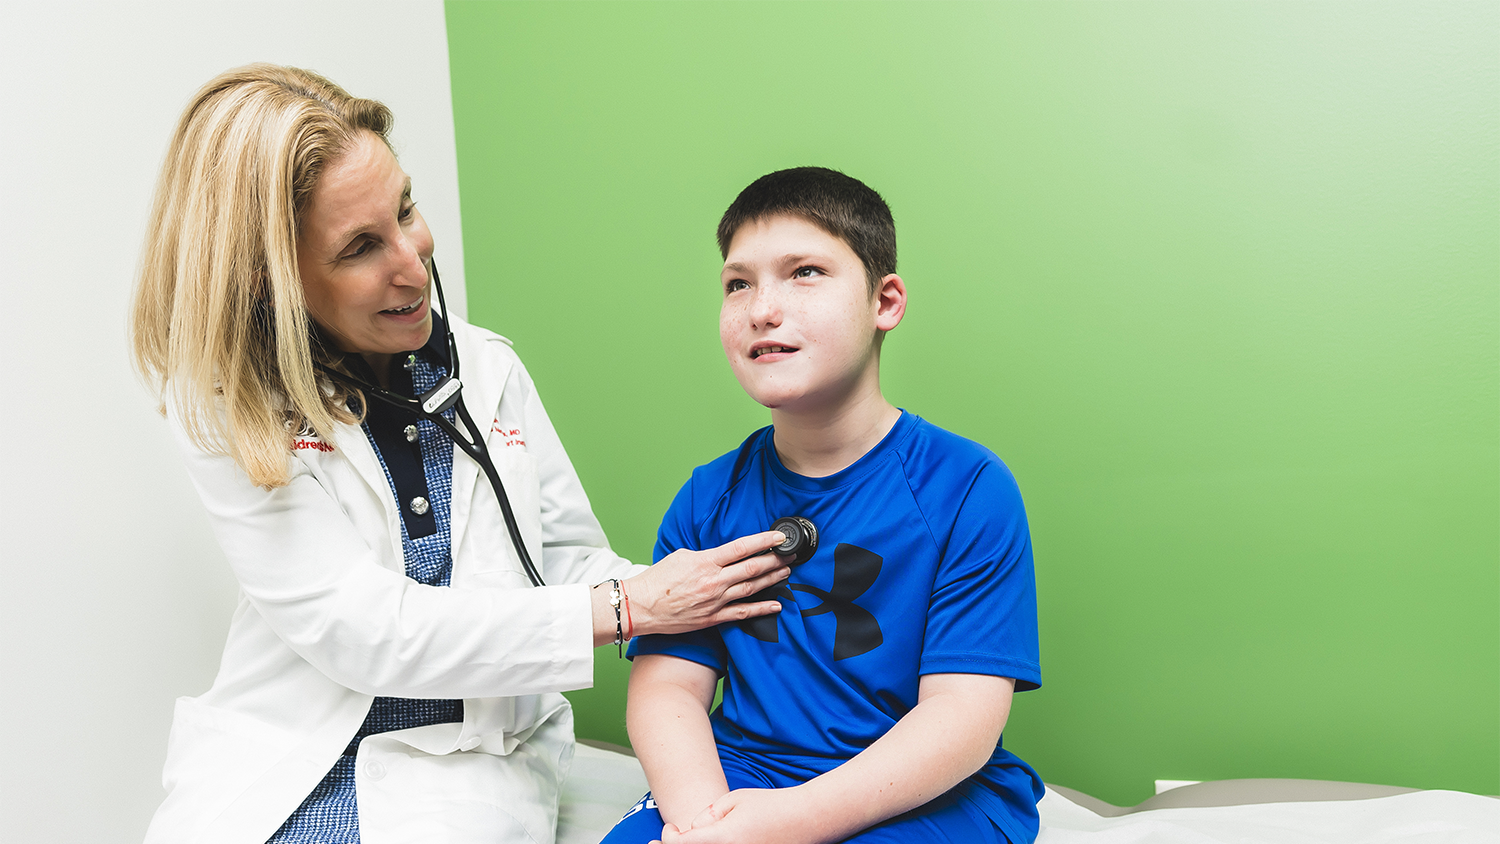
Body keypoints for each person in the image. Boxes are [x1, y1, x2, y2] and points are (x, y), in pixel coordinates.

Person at [129, 64, 791, 844]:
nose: (413, 263)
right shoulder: (227, 408)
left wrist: (700, 596)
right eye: (360, 247)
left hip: (459, 770)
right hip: (287, 759)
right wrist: (628, 609)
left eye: (406, 208)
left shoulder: (486, 370)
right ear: (274, 281)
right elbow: (366, 630)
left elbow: (564, 559)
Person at [602, 167, 1043, 844]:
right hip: (743, 776)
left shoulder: (967, 487)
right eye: (737, 283)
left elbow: (960, 716)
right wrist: (703, 823)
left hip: (923, 793)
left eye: (804, 272)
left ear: (885, 302)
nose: (761, 309)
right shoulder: (708, 497)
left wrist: (789, 824)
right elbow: (669, 690)